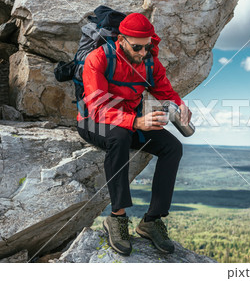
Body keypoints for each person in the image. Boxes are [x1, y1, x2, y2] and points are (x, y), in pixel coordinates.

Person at [76, 13, 192, 256]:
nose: (142, 52)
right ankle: (116, 218)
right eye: (137, 47)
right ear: (121, 40)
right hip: (93, 121)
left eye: (147, 46)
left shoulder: (149, 62)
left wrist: (179, 104)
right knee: (119, 138)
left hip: (131, 121)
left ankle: (152, 220)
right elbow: (97, 109)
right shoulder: (97, 60)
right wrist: (137, 122)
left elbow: (164, 89)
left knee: (172, 147)